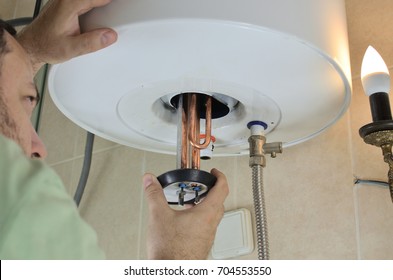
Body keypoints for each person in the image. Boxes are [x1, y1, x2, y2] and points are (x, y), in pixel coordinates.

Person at [0, 0, 229, 259]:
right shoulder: (16, 208)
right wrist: (178, 256)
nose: (39, 149)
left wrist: (27, 53)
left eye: (30, 100)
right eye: (27, 99)